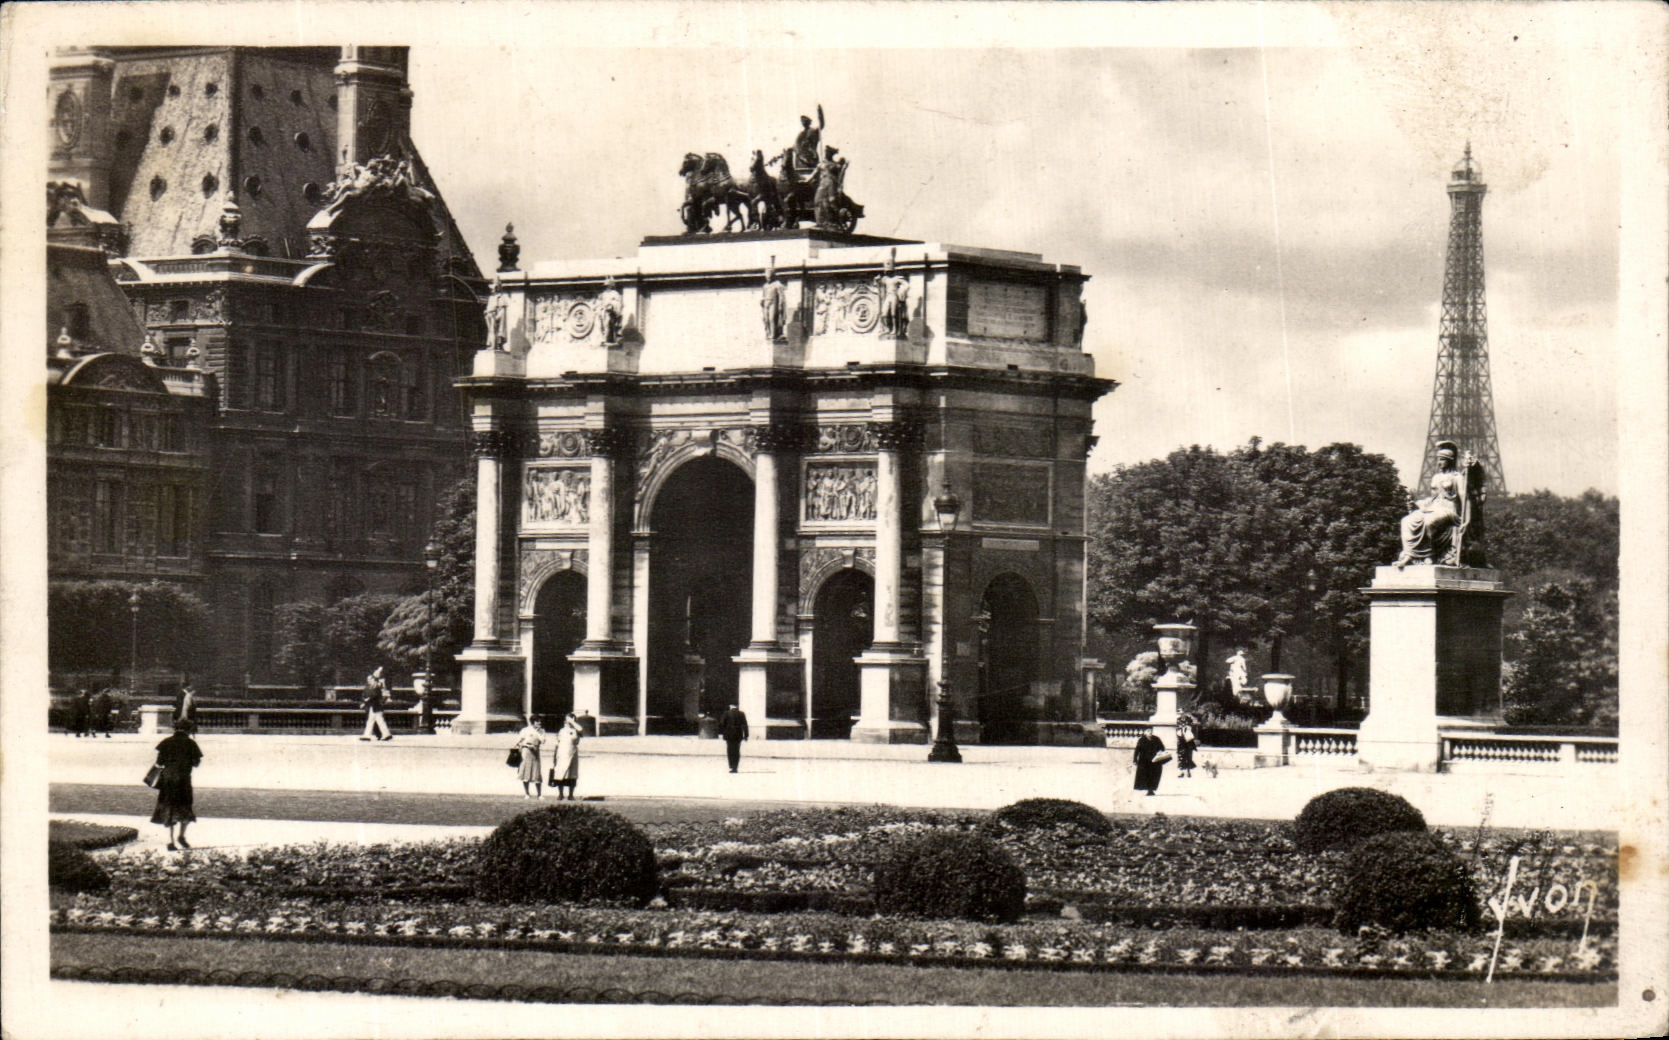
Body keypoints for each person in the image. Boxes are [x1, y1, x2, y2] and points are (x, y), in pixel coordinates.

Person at [1396, 441, 1478, 568]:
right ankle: (1409, 555)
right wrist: (1418, 504)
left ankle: (1429, 555)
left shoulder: (1457, 477)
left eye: (1442, 460)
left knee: (1429, 522)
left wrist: (1467, 520)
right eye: (1438, 459)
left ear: (1450, 460)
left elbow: (1465, 499)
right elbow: (1433, 498)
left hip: (1449, 511)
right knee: (1406, 521)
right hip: (1433, 508)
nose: (1438, 463)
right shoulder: (1436, 477)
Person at [150, 719, 203, 851]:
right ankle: (181, 836)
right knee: (185, 807)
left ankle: (170, 841)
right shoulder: (191, 743)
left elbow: (159, 762)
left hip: (168, 781)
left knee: (168, 808)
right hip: (183, 780)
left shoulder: (166, 742)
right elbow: (196, 763)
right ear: (188, 729)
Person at [548, 712, 582, 800]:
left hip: (572, 753)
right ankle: (561, 794)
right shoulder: (562, 731)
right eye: (567, 720)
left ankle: (571, 795)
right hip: (562, 754)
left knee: (572, 774)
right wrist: (554, 757)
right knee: (560, 773)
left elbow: (581, 729)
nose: (567, 722)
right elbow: (557, 744)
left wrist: (572, 722)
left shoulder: (576, 730)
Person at [514, 716, 545, 799]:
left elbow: (543, 741)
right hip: (526, 752)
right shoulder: (525, 730)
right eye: (537, 721)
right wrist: (526, 745)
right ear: (533, 722)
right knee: (526, 772)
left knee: (537, 773)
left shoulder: (542, 731)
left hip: (535, 752)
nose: (539, 723)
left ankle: (539, 794)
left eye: (540, 721)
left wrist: (537, 732)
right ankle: (527, 793)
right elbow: (518, 742)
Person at [359, 666, 392, 741]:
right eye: (368, 679)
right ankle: (385, 734)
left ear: (373, 680)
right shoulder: (371, 687)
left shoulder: (377, 687)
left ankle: (368, 735)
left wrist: (367, 700)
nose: (369, 681)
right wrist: (366, 700)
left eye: (370, 679)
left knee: (375, 721)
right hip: (374, 707)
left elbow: (375, 695)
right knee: (376, 721)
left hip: (376, 706)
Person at [1132, 725, 1166, 796]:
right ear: (1145, 732)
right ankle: (1149, 789)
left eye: (1151, 731)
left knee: (1154, 775)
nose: (1150, 732)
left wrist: (1160, 751)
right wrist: (1135, 759)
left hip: (1155, 760)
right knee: (1146, 775)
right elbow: (1137, 750)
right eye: (1148, 731)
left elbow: (1162, 748)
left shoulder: (1156, 739)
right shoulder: (1141, 740)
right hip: (1144, 761)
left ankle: (1151, 789)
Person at [719, 703, 749, 773]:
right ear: (737, 706)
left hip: (729, 735)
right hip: (738, 735)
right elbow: (745, 725)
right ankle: (735, 767)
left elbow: (722, 723)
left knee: (730, 750)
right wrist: (746, 735)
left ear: (730, 706)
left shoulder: (726, 713)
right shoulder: (741, 714)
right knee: (737, 750)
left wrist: (724, 732)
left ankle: (731, 766)